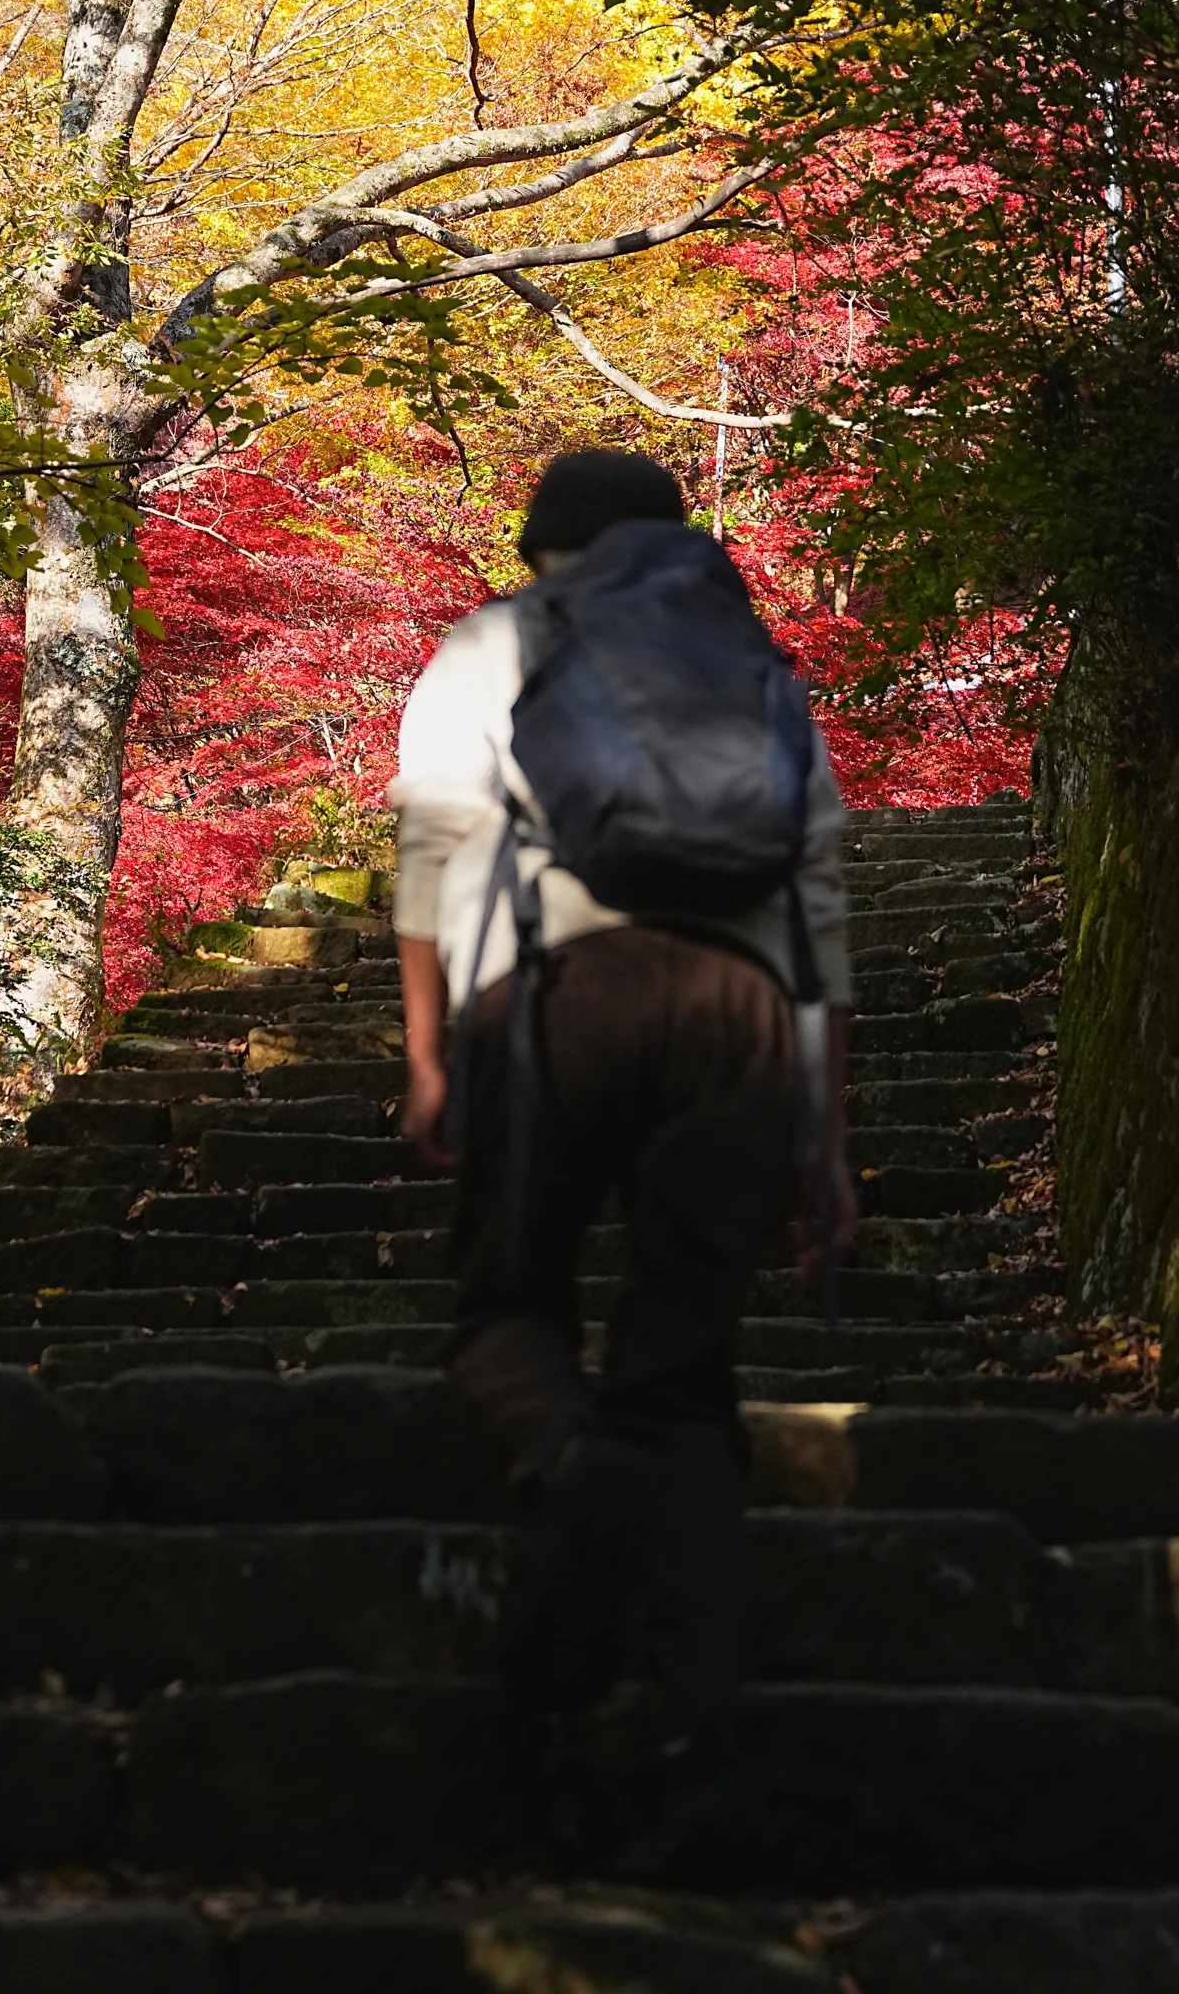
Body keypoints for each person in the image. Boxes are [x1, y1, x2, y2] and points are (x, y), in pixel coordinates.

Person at [387, 446, 856, 1877]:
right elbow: (819, 903)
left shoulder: (499, 641)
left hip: (549, 994)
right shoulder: (751, 658)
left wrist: (423, 1051)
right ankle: (698, 1744)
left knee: (510, 1303)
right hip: (740, 1018)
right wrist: (823, 1133)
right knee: (689, 1380)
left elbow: (432, 845)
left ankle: (574, 1462)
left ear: (542, 545)